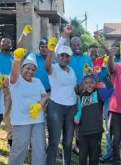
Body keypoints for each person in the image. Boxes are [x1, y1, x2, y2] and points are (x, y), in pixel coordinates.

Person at [55, 25, 93, 155]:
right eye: (73, 44)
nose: (76, 46)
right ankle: (66, 145)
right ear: (70, 45)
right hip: (68, 93)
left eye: (78, 44)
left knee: (80, 120)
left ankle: (77, 144)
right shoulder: (67, 57)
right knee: (67, 122)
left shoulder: (87, 58)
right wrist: (64, 34)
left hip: (83, 92)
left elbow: (91, 75)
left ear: (81, 44)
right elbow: (57, 52)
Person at [8, 48, 49, 165]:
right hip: (20, 121)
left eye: (33, 69)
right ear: (22, 68)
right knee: (19, 149)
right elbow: (14, 73)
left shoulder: (37, 81)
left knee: (39, 148)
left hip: (38, 120)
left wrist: (39, 106)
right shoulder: (16, 80)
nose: (30, 71)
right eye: (27, 68)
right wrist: (16, 60)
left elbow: (45, 96)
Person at [45, 36, 78, 165]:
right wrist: (50, 51)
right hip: (56, 107)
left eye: (67, 56)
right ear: (58, 57)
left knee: (68, 141)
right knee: (54, 140)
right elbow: (47, 67)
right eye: (62, 55)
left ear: (70, 57)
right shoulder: (54, 68)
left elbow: (76, 88)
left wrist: (91, 74)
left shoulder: (72, 71)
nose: (65, 58)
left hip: (71, 108)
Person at [74, 71, 115, 165]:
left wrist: (101, 75)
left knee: (94, 158)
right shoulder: (81, 97)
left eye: (92, 82)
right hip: (83, 132)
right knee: (82, 157)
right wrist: (76, 117)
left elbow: (111, 88)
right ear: (83, 84)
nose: (89, 85)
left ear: (96, 83)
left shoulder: (99, 94)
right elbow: (79, 111)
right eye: (86, 83)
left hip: (95, 132)